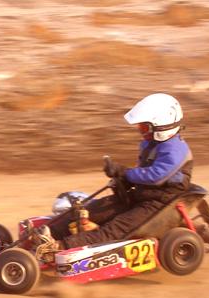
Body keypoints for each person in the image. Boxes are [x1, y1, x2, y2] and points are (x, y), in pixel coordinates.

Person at [46, 92, 193, 249]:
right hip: (139, 197)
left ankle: (60, 247)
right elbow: (143, 173)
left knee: (115, 228)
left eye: (144, 127)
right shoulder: (153, 144)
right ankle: (49, 231)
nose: (140, 131)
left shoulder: (175, 149)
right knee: (90, 209)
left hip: (158, 205)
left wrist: (124, 172)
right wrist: (123, 179)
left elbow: (156, 176)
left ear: (161, 126)